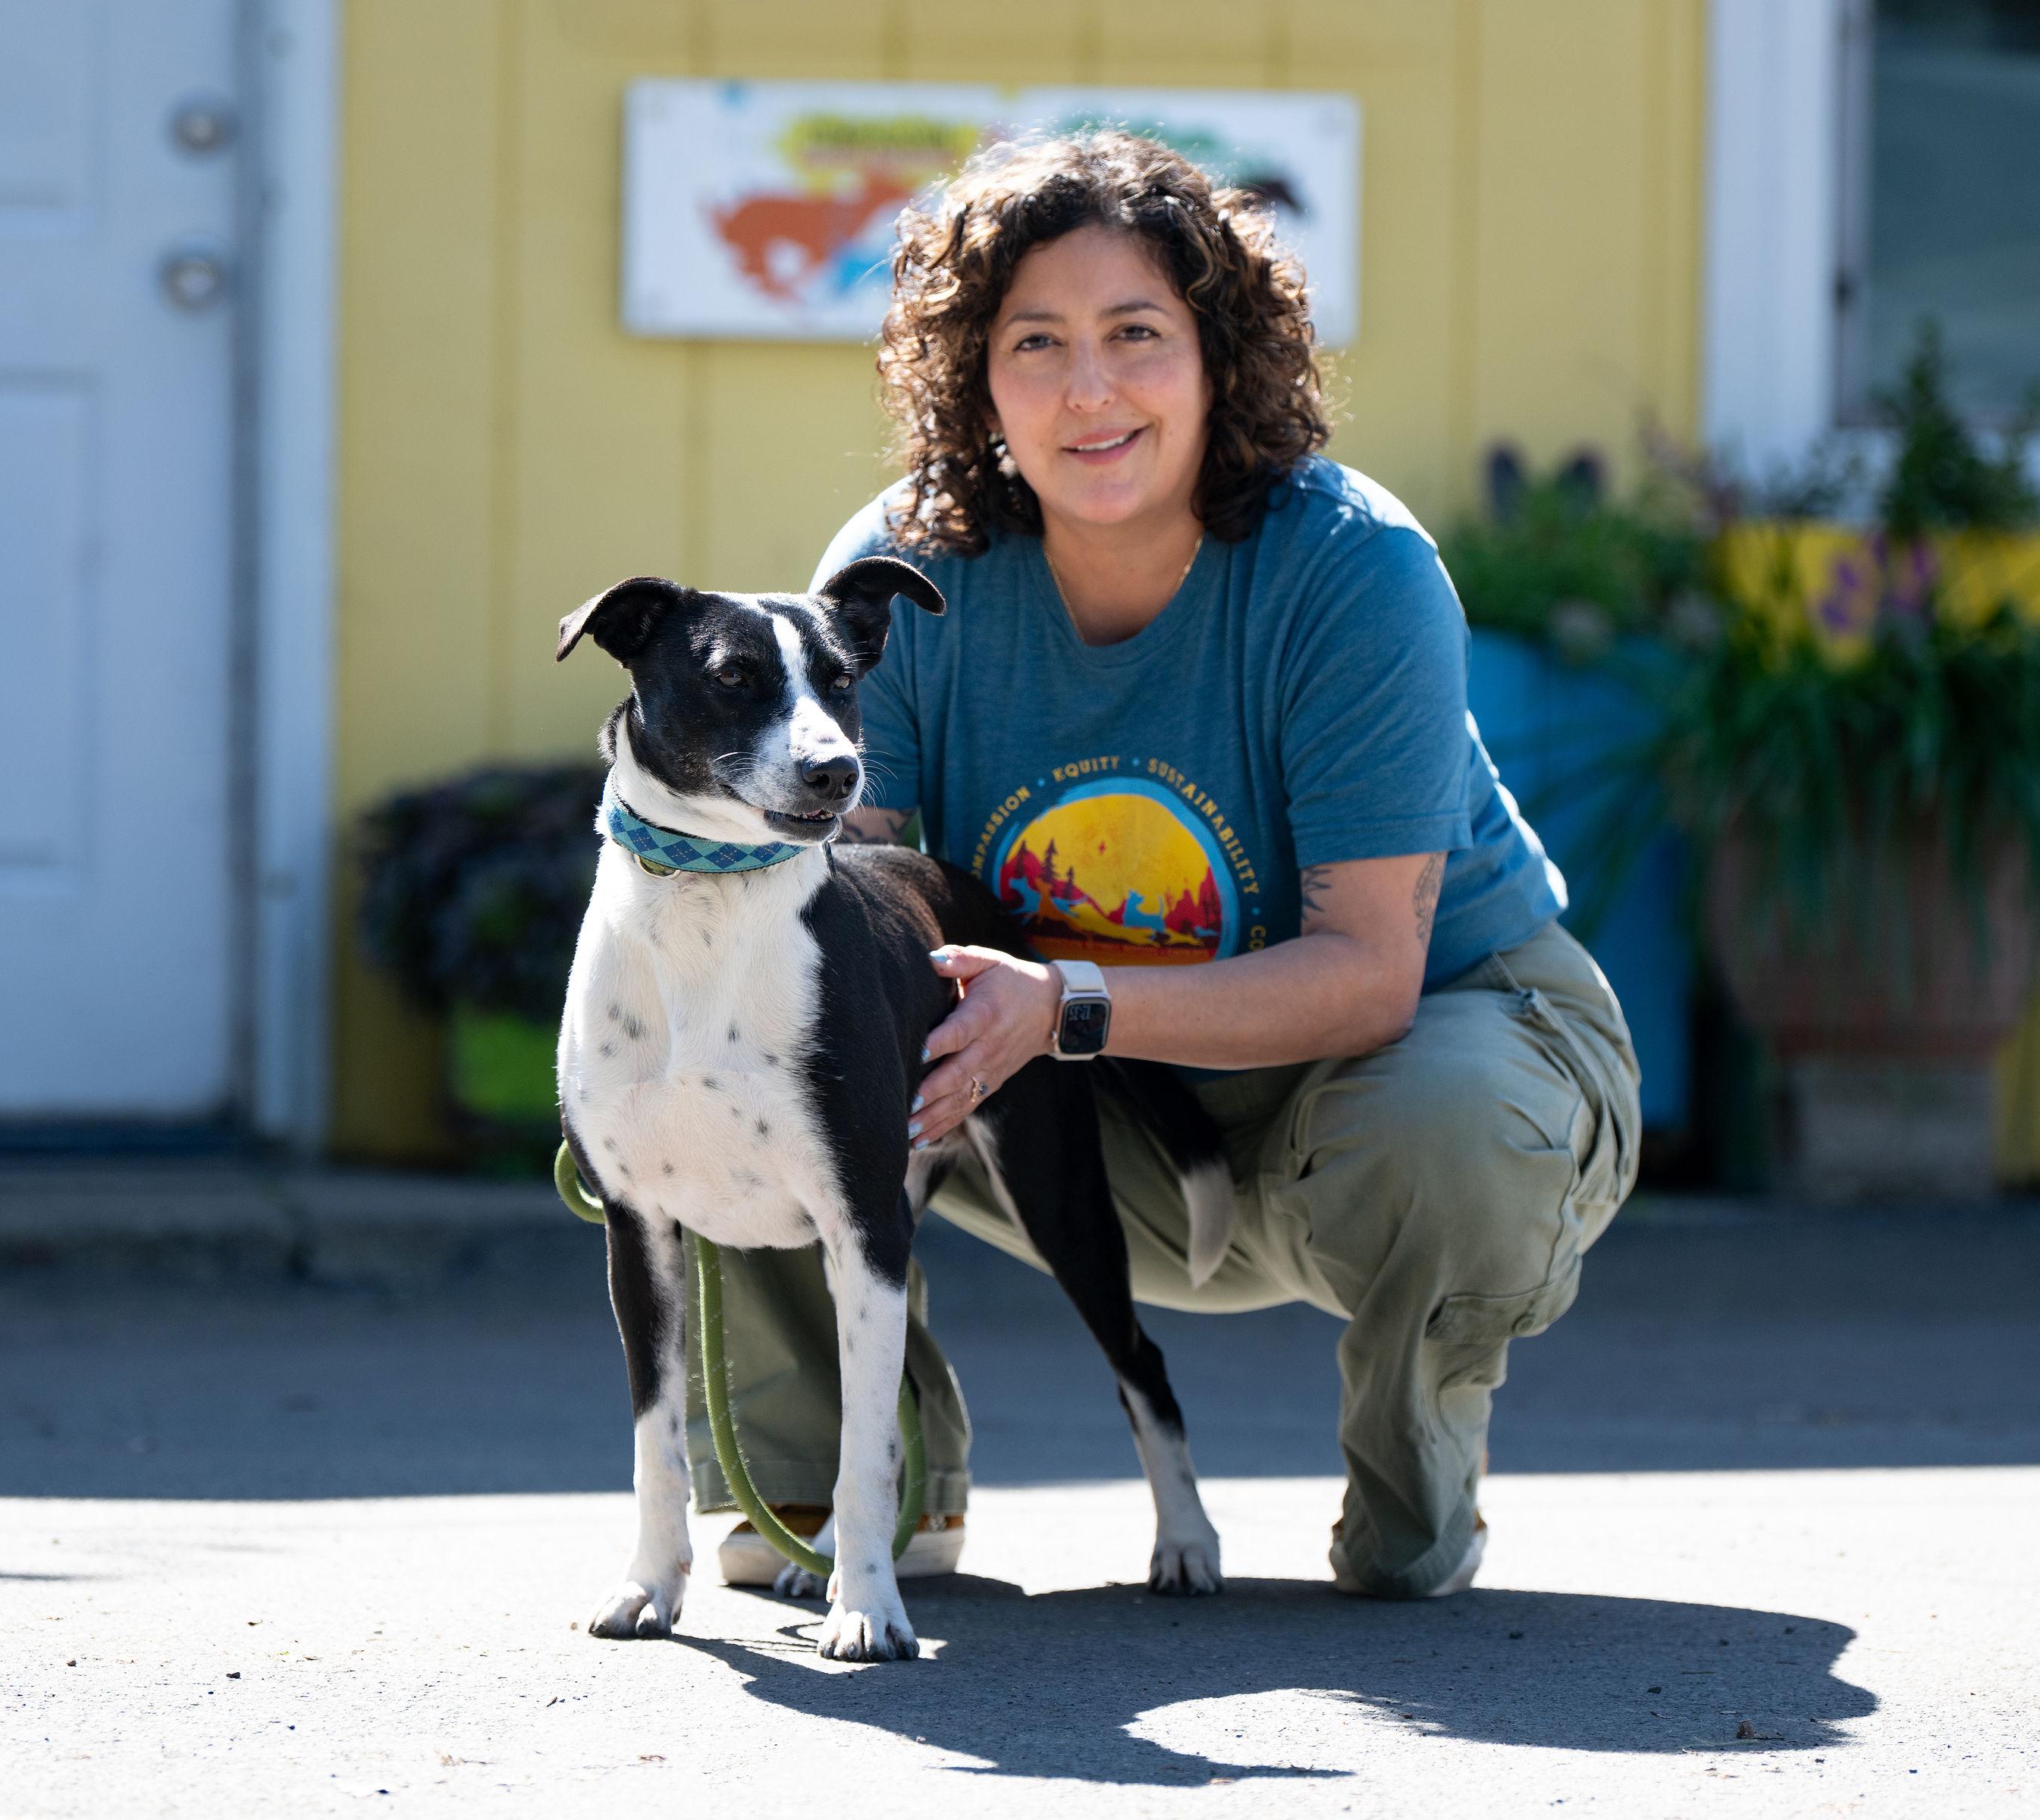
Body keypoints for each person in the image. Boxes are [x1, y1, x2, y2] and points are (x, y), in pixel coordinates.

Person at [695, 130, 1640, 1599]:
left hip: (1413, 1062)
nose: (1089, 391)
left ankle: (1411, 1501)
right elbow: (837, 934)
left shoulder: (1353, 568)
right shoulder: (904, 573)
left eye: (1137, 334)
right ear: (972, 374)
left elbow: (1372, 976)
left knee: (1448, 1122)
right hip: (1102, 1107)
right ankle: (850, 1487)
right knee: (746, 1033)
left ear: (1219, 356)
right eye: (1036, 343)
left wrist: (1066, 999)